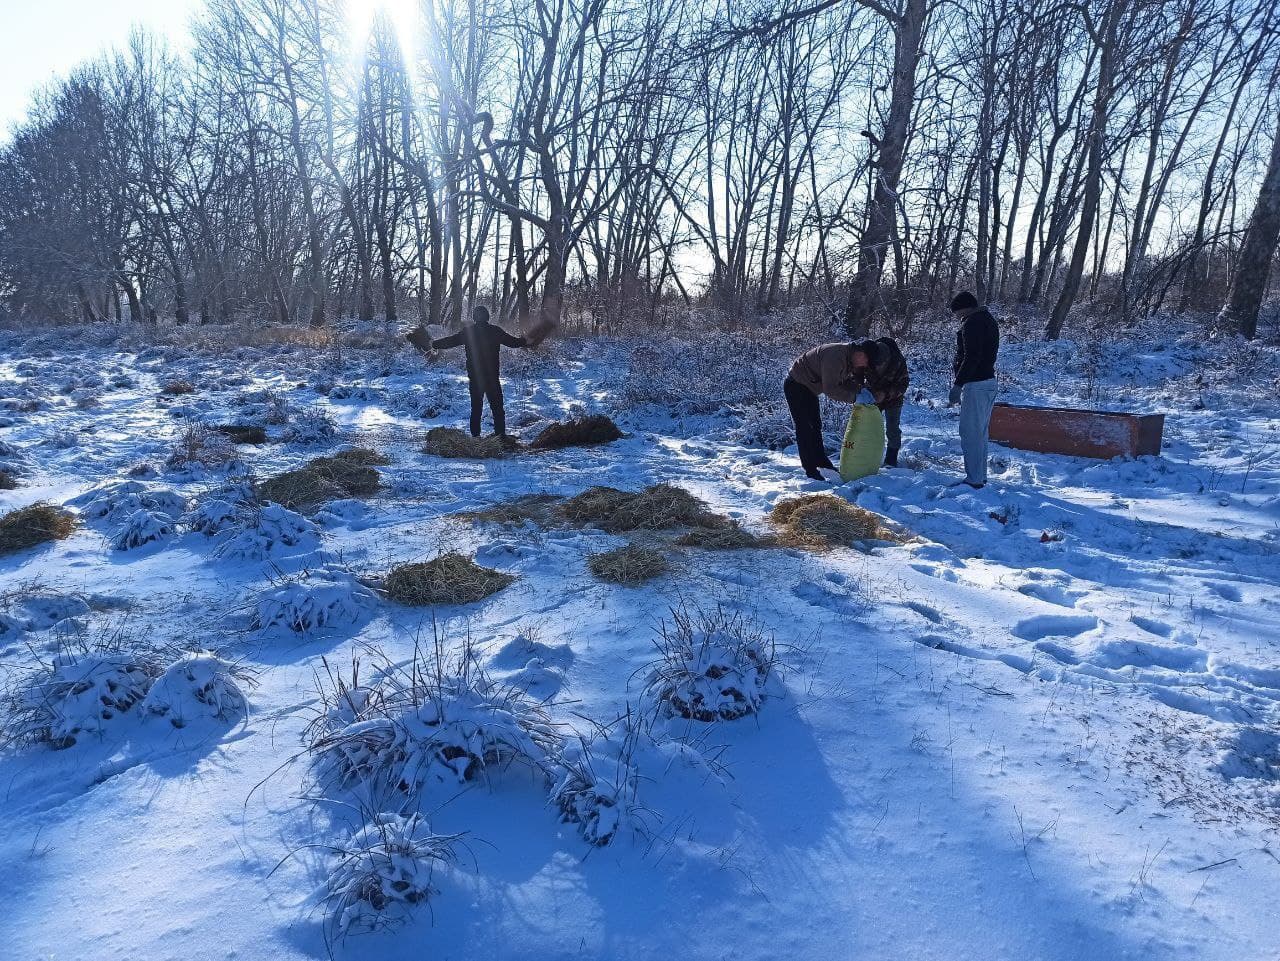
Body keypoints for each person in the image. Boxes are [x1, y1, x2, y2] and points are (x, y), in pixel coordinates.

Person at [406, 305, 528, 438]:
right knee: (498, 409)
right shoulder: (495, 331)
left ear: (474, 317)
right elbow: (513, 342)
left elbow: (451, 341)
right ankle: (501, 437)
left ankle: (475, 438)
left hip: (475, 378)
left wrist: (434, 344)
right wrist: (524, 340)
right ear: (487, 317)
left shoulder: (469, 332)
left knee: (476, 409)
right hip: (492, 378)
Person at [784, 341, 874, 481]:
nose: (865, 364)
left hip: (809, 389)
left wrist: (861, 390)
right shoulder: (836, 356)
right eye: (866, 359)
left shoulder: (848, 358)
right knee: (805, 427)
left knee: (815, 425)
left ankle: (821, 462)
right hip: (796, 385)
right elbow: (831, 389)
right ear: (860, 353)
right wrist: (855, 398)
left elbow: (843, 382)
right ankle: (810, 469)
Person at [946, 291, 1000, 488]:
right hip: (987, 383)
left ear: (964, 308)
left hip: (976, 385)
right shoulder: (987, 319)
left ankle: (974, 479)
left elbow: (971, 357)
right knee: (979, 433)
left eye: (957, 313)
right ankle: (980, 476)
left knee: (970, 433)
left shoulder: (973, 323)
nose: (957, 317)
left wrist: (958, 385)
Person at [849, 337, 910, 467]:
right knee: (865, 427)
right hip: (872, 396)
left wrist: (886, 394)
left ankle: (891, 461)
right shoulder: (864, 355)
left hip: (894, 398)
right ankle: (863, 457)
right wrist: (859, 391)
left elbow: (903, 385)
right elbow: (856, 376)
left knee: (892, 429)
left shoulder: (897, 360)